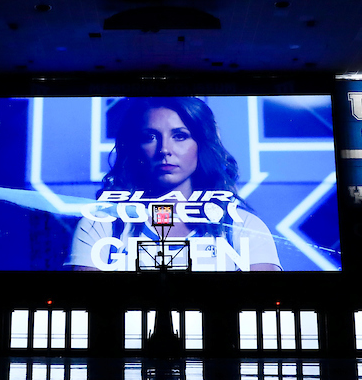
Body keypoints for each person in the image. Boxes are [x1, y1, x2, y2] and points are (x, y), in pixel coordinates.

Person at [67, 97, 280, 271]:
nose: (164, 150)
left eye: (180, 136)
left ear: (201, 145)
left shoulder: (242, 227)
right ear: (135, 147)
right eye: (150, 136)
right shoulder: (103, 226)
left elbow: (262, 307)